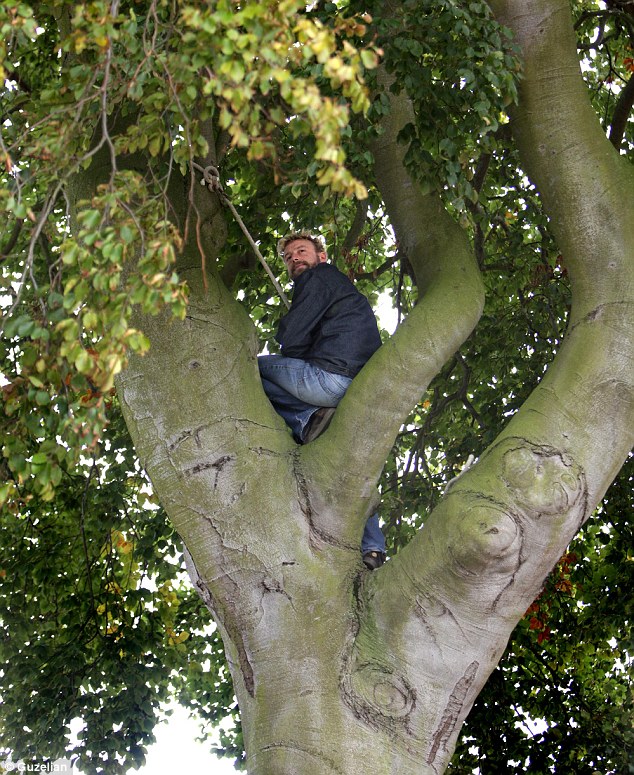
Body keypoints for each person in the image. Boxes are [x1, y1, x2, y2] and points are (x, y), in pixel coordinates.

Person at [258, 232, 387, 570]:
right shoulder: (342, 292)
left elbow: (292, 336)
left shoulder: (320, 277)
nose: (294, 259)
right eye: (287, 257)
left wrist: (291, 342)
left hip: (328, 381)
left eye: (300, 251)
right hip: (352, 390)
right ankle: (373, 547)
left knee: (249, 368)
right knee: (351, 464)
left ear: (321, 255)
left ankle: (307, 417)